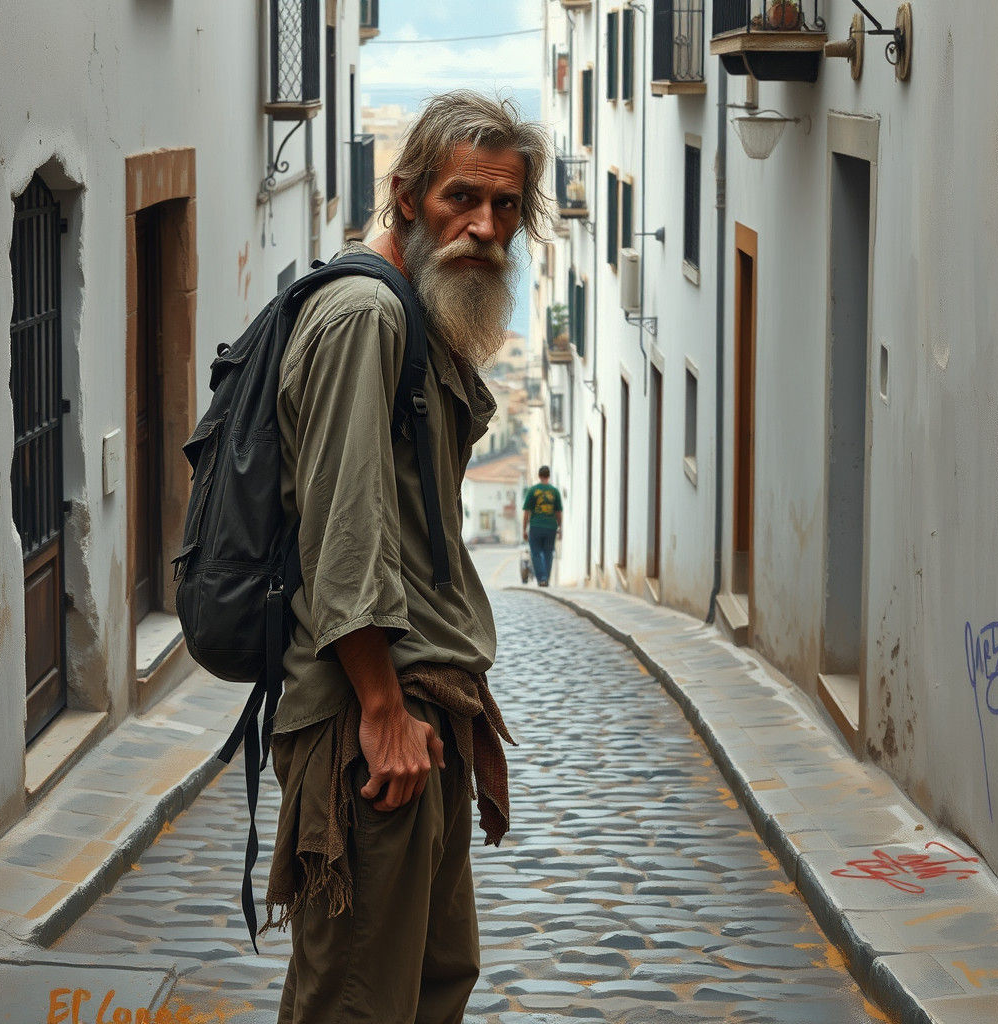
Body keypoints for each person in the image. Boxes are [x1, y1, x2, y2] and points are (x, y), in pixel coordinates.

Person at [265, 92, 550, 1024]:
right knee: (357, 1006)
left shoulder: (415, 315)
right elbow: (342, 530)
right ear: (406, 195)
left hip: (419, 721)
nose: (484, 227)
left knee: (431, 990)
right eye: (461, 199)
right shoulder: (367, 318)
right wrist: (384, 712)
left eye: (506, 206)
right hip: (371, 729)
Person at [521, 466, 563, 587]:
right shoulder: (554, 491)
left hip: (536, 526)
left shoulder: (533, 490)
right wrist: (559, 527)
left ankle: (542, 579)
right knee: (548, 553)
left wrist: (524, 529)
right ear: (548, 476)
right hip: (551, 527)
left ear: (539, 476)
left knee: (536, 553)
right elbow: (558, 512)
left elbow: (526, 512)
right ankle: (546, 578)